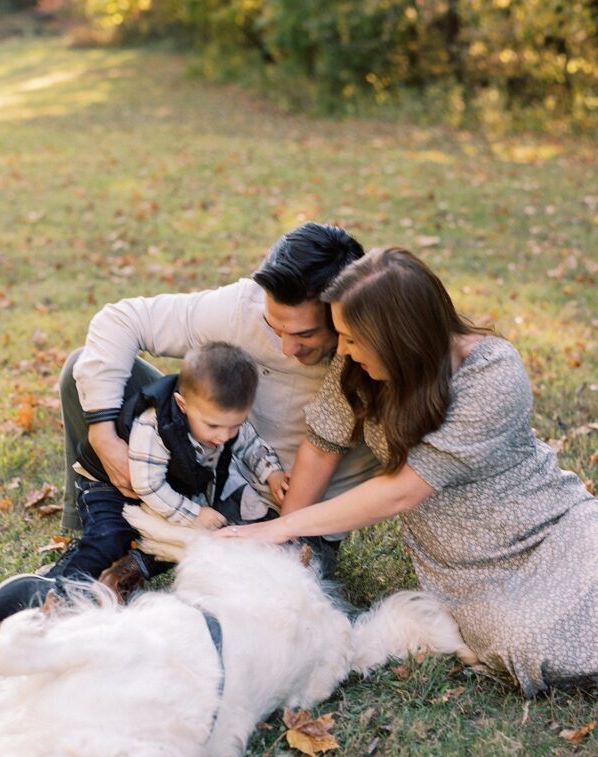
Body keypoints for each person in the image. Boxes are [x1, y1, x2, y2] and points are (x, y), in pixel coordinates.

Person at [225, 246, 598, 697]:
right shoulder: (360, 369)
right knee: (530, 644)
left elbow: (402, 492)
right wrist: (282, 542)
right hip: (471, 572)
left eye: (352, 338)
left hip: (551, 527)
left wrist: (278, 529)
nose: (340, 348)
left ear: (400, 336)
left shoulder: (493, 371)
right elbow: (322, 447)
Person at [0, 344, 288, 619]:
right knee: (109, 536)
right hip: (110, 484)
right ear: (183, 405)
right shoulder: (155, 426)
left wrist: (272, 473)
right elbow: (149, 487)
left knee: (183, 537)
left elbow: (250, 445)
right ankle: (64, 597)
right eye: (213, 426)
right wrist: (195, 514)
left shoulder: (223, 419)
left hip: (164, 488)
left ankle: (100, 577)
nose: (224, 436)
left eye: (233, 426)